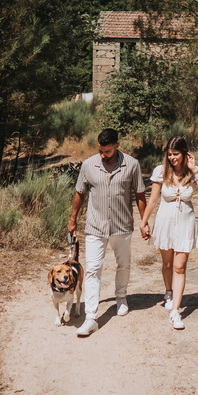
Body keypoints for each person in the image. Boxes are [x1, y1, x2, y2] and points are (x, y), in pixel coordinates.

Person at [68, 128, 146, 337]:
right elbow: (80, 192)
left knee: (123, 264)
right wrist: (72, 219)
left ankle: (121, 297)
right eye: (101, 151)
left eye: (108, 152)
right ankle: (91, 317)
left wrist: (144, 221)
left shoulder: (132, 164)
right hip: (95, 226)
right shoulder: (88, 165)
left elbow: (139, 193)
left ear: (117, 146)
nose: (103, 155)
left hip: (122, 225)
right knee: (93, 269)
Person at [140, 135, 198, 330]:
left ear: (185, 153)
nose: (172, 158)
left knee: (180, 267)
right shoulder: (160, 172)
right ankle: (168, 292)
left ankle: (175, 312)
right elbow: (153, 199)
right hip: (165, 222)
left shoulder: (193, 171)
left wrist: (195, 170)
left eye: (176, 154)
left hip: (185, 223)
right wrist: (144, 222)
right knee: (168, 264)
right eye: (169, 154)